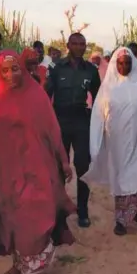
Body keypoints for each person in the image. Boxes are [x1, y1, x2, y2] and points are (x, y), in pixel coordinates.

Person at [0, 51, 76, 274]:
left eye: (14, 68)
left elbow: (53, 130)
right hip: (4, 175)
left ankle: (32, 267)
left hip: (37, 170)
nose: (10, 74)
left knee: (35, 219)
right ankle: (22, 263)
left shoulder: (36, 95)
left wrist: (64, 162)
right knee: (14, 221)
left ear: (22, 69)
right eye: (4, 70)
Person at [84, 47, 137, 236]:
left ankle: (135, 212)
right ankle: (121, 221)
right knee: (122, 181)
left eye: (128, 63)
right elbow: (99, 116)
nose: (125, 66)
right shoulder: (108, 87)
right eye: (121, 63)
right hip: (117, 144)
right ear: (115, 64)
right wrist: (96, 143)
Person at [44, 32, 101, 228]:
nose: (79, 47)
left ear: (86, 47)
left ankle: (83, 211)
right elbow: (46, 95)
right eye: (75, 43)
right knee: (59, 167)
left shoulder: (91, 71)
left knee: (83, 167)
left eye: (82, 44)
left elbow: (98, 97)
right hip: (59, 121)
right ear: (68, 45)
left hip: (81, 122)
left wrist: (96, 121)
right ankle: (59, 211)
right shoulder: (57, 68)